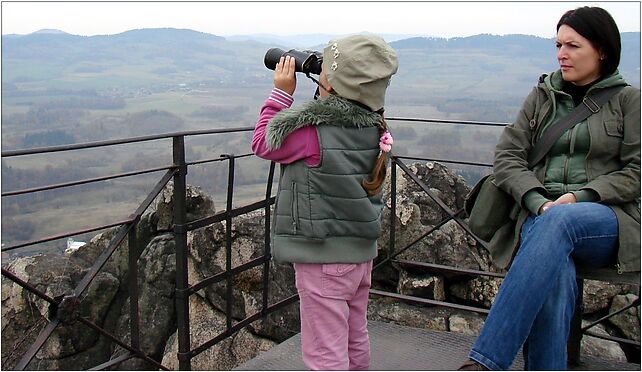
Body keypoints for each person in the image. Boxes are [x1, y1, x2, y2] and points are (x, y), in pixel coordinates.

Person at [459, 6, 640, 371]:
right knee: (555, 268)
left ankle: (486, 363)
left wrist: (579, 197)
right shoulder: (542, 97)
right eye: (558, 44)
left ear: (602, 50)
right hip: (540, 214)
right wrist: (537, 200)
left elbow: (636, 171)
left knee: (562, 222)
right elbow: (508, 157)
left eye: (573, 45)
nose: (562, 54)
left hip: (606, 221)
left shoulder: (629, 102)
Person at [251, 34, 398, 370]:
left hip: (324, 260)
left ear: (332, 84)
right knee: (354, 338)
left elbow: (262, 142)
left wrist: (281, 95)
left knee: (324, 353)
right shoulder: (374, 126)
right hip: (358, 257)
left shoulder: (313, 132)